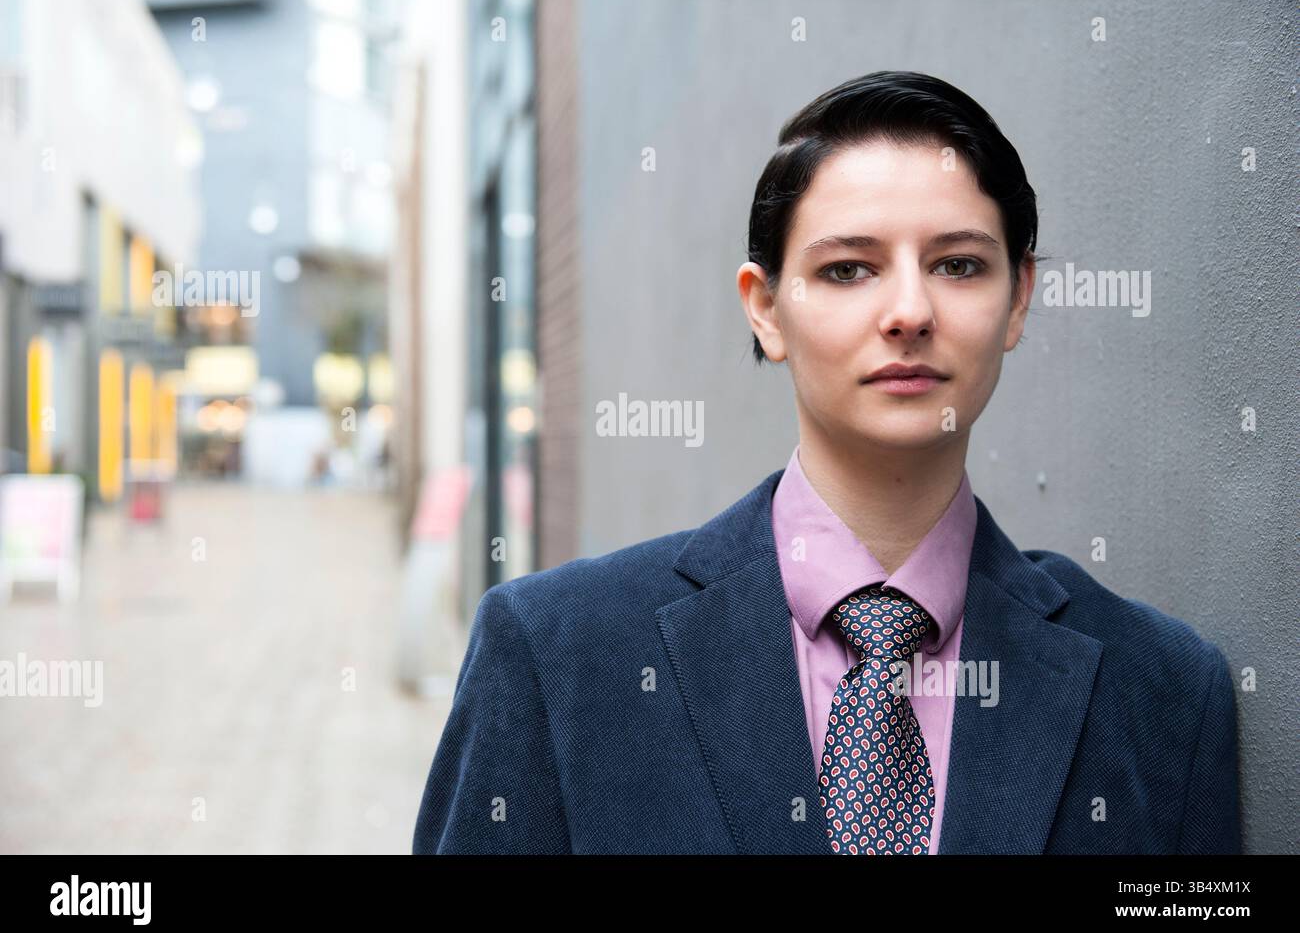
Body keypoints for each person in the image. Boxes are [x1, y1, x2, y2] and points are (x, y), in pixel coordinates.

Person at [412, 71, 1241, 855]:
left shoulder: (1161, 691)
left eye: (958, 264)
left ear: (1018, 298)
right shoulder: (559, 654)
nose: (910, 311)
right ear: (766, 308)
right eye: (849, 269)